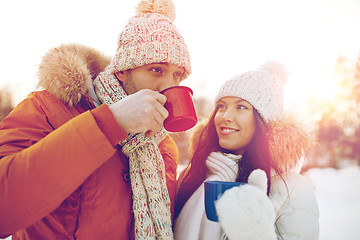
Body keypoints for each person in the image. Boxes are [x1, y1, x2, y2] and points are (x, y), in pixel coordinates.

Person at [0, 0, 191, 239]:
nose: (168, 86)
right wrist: (109, 124)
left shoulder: (163, 147)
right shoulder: (46, 108)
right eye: (156, 70)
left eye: (178, 75)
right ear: (123, 70)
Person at [174, 62, 320, 240]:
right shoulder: (193, 174)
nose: (225, 116)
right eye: (221, 106)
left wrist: (257, 234)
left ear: (263, 121)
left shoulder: (294, 189)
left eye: (241, 107)